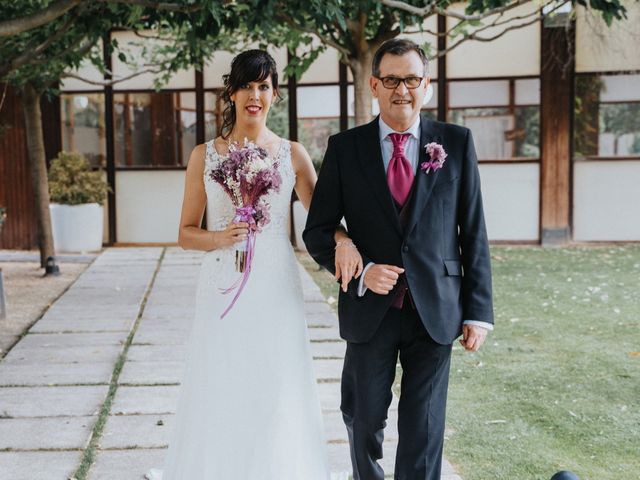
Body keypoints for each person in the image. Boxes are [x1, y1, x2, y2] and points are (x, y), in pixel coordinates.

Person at [146, 49, 362, 480]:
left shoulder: (292, 154)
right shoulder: (204, 155)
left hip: (274, 282)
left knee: (275, 374)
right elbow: (186, 233)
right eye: (246, 85)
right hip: (221, 281)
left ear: (275, 95)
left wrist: (345, 240)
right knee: (221, 374)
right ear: (231, 92)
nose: (255, 95)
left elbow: (320, 222)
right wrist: (219, 237)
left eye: (264, 86)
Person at [303, 38, 494, 480]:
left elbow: (474, 231)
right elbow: (316, 230)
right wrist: (362, 270)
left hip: (436, 308)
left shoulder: (457, 144)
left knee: (423, 427)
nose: (401, 90)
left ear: (426, 84)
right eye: (391, 79)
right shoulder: (345, 148)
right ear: (374, 84)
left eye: (411, 79)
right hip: (371, 309)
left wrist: (478, 312)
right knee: (363, 416)